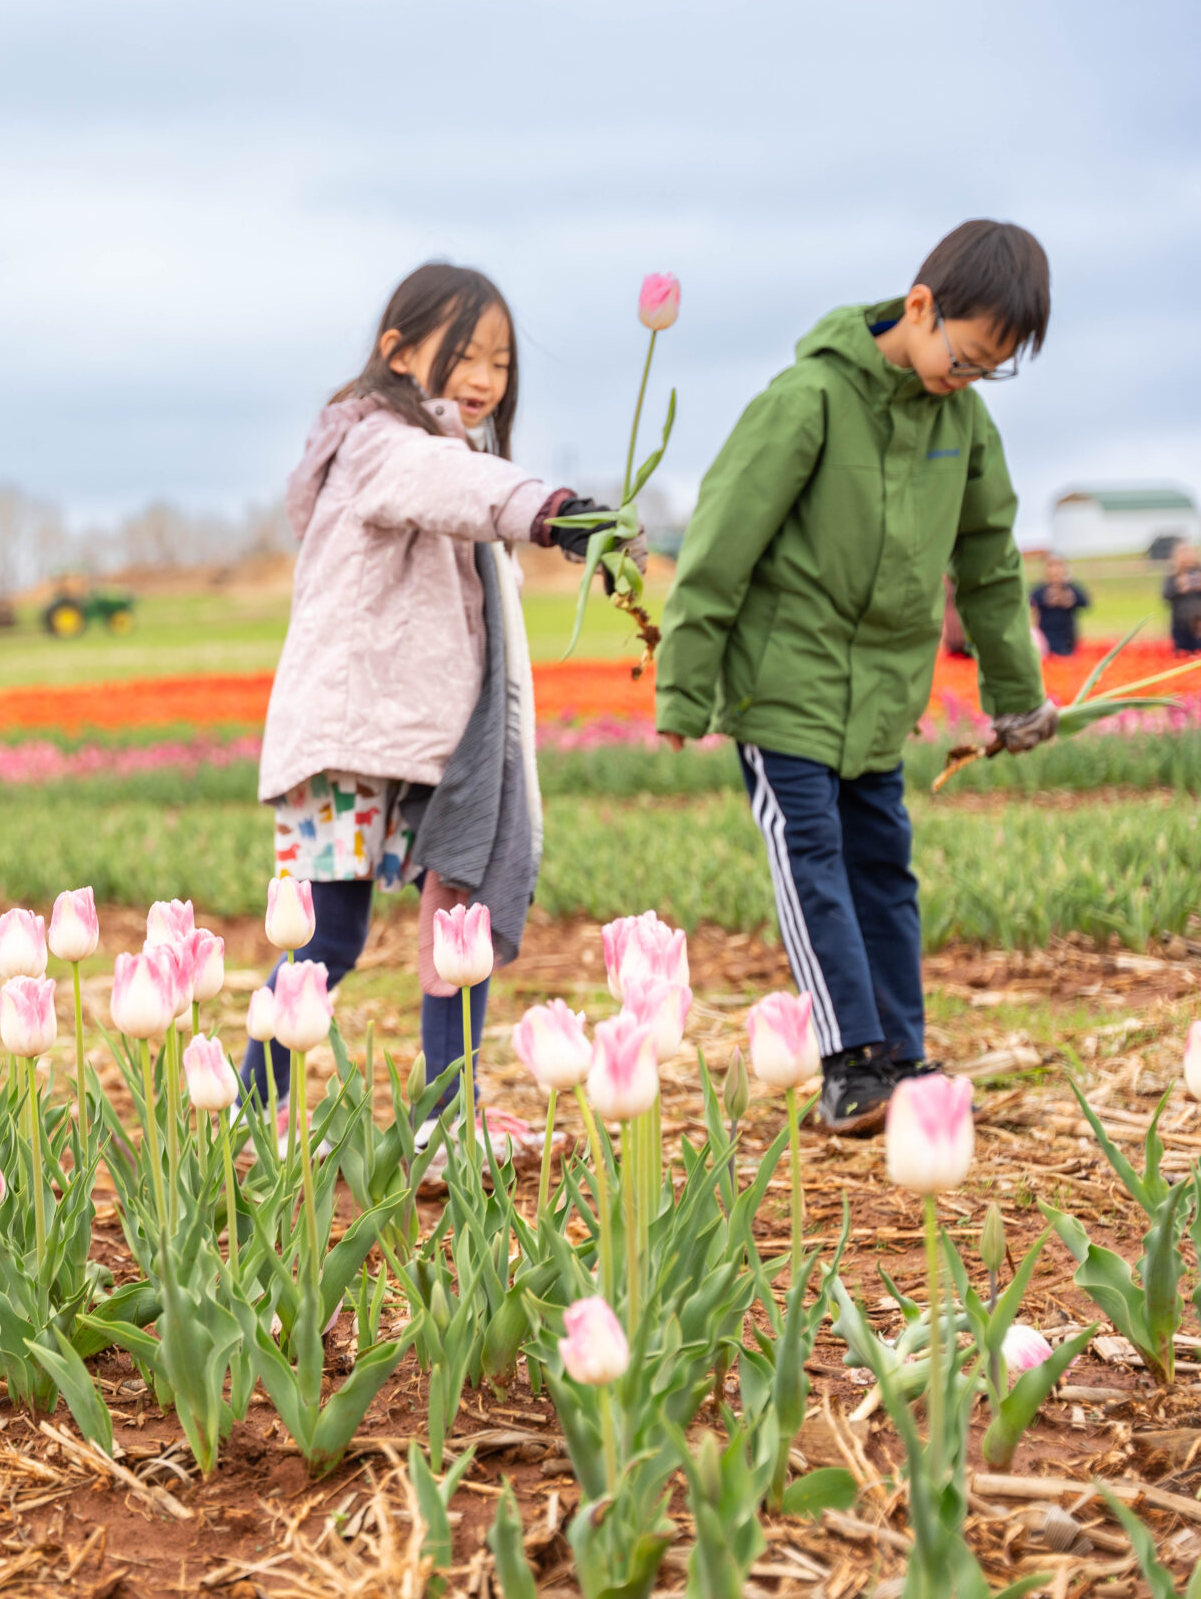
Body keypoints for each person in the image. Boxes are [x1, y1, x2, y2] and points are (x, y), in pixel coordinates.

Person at [655, 219, 1059, 1136]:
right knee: (815, 867)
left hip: (880, 701)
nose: (970, 377)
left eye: (992, 367)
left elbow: (990, 564)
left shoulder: (964, 425)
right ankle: (848, 1062)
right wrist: (684, 685)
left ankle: (903, 1054)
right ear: (921, 307)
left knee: (885, 870)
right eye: (966, 356)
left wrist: (1013, 693)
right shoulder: (809, 401)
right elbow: (721, 542)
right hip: (781, 686)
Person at [251, 262, 624, 1150]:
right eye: (467, 352)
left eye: (500, 359)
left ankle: (444, 1124)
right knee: (327, 937)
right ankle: (242, 1114)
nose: (487, 375)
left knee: (463, 918)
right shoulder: (382, 441)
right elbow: (448, 484)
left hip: (435, 744)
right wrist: (550, 508)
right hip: (351, 740)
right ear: (398, 352)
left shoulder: (450, 453)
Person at [1029, 557, 1092, 658]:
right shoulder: (1040, 589)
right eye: (1051, 566)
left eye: (1059, 566)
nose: (1055, 570)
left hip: (1067, 635)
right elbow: (1029, 604)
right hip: (1046, 633)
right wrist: (1046, 599)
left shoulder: (1071, 588)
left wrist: (1071, 599)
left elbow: (1086, 603)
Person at [1167, 541, 1201, 655]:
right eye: (1182, 554)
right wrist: (1179, 587)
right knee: (1183, 651)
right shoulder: (1173, 575)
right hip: (1180, 621)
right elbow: (1166, 595)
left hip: (1198, 621)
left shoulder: (1199, 571)